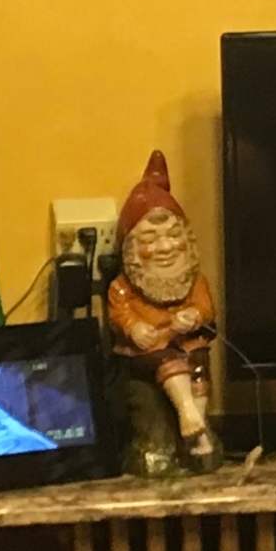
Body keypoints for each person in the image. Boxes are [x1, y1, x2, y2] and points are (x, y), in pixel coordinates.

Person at [103, 150, 223, 463]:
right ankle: (187, 415)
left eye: (173, 235)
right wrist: (135, 327)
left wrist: (194, 315)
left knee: (197, 362)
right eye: (151, 239)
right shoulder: (123, 288)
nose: (166, 247)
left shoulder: (193, 280)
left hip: (187, 347)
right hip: (145, 355)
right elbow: (120, 313)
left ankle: (198, 432)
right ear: (131, 246)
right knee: (165, 359)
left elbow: (205, 307)